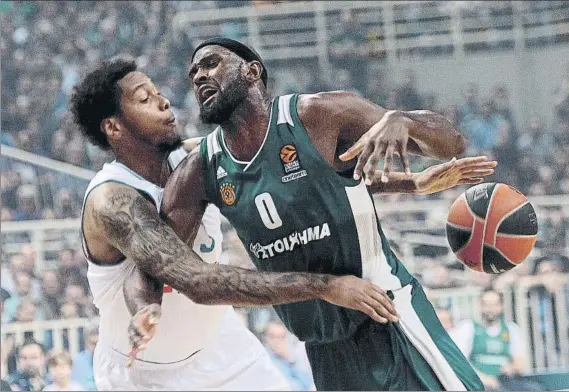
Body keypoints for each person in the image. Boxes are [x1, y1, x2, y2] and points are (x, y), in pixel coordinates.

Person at [131, 37, 496, 391]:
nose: (199, 76)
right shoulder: (201, 169)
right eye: (193, 72)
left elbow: (452, 143)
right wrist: (145, 307)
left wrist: (405, 121)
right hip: (322, 348)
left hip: (388, 319)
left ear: (252, 71)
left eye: (211, 64)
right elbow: (159, 260)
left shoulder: (317, 115)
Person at [71, 57, 399, 390]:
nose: (164, 101)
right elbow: (198, 282)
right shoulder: (111, 201)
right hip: (145, 373)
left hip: (222, 347)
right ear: (113, 127)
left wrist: (409, 182)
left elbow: (308, 174)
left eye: (157, 92)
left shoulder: (200, 159)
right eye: (144, 99)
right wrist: (327, 286)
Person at [451, 289, 541, 391]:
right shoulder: (468, 327)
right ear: (480, 306)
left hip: (505, 380)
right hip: (479, 381)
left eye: (495, 305)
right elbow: (461, 362)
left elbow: (520, 362)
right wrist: (483, 378)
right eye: (486, 305)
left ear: (501, 306)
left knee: (535, 388)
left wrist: (512, 367)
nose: (490, 309)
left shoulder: (511, 328)